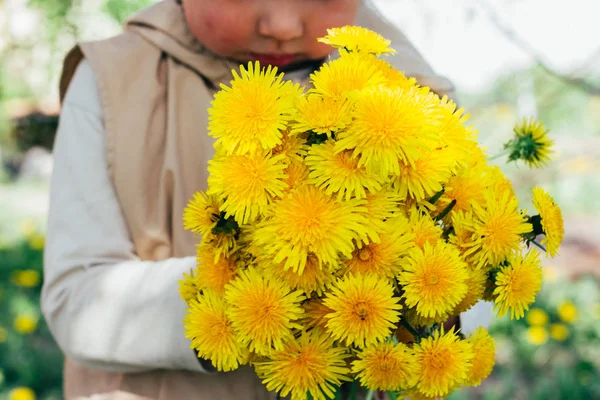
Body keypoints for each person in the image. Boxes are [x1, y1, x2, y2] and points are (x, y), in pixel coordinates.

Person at [42, 0, 491, 399]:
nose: (281, 23)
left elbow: (462, 261)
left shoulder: (406, 83)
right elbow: (75, 299)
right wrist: (253, 290)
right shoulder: (111, 82)